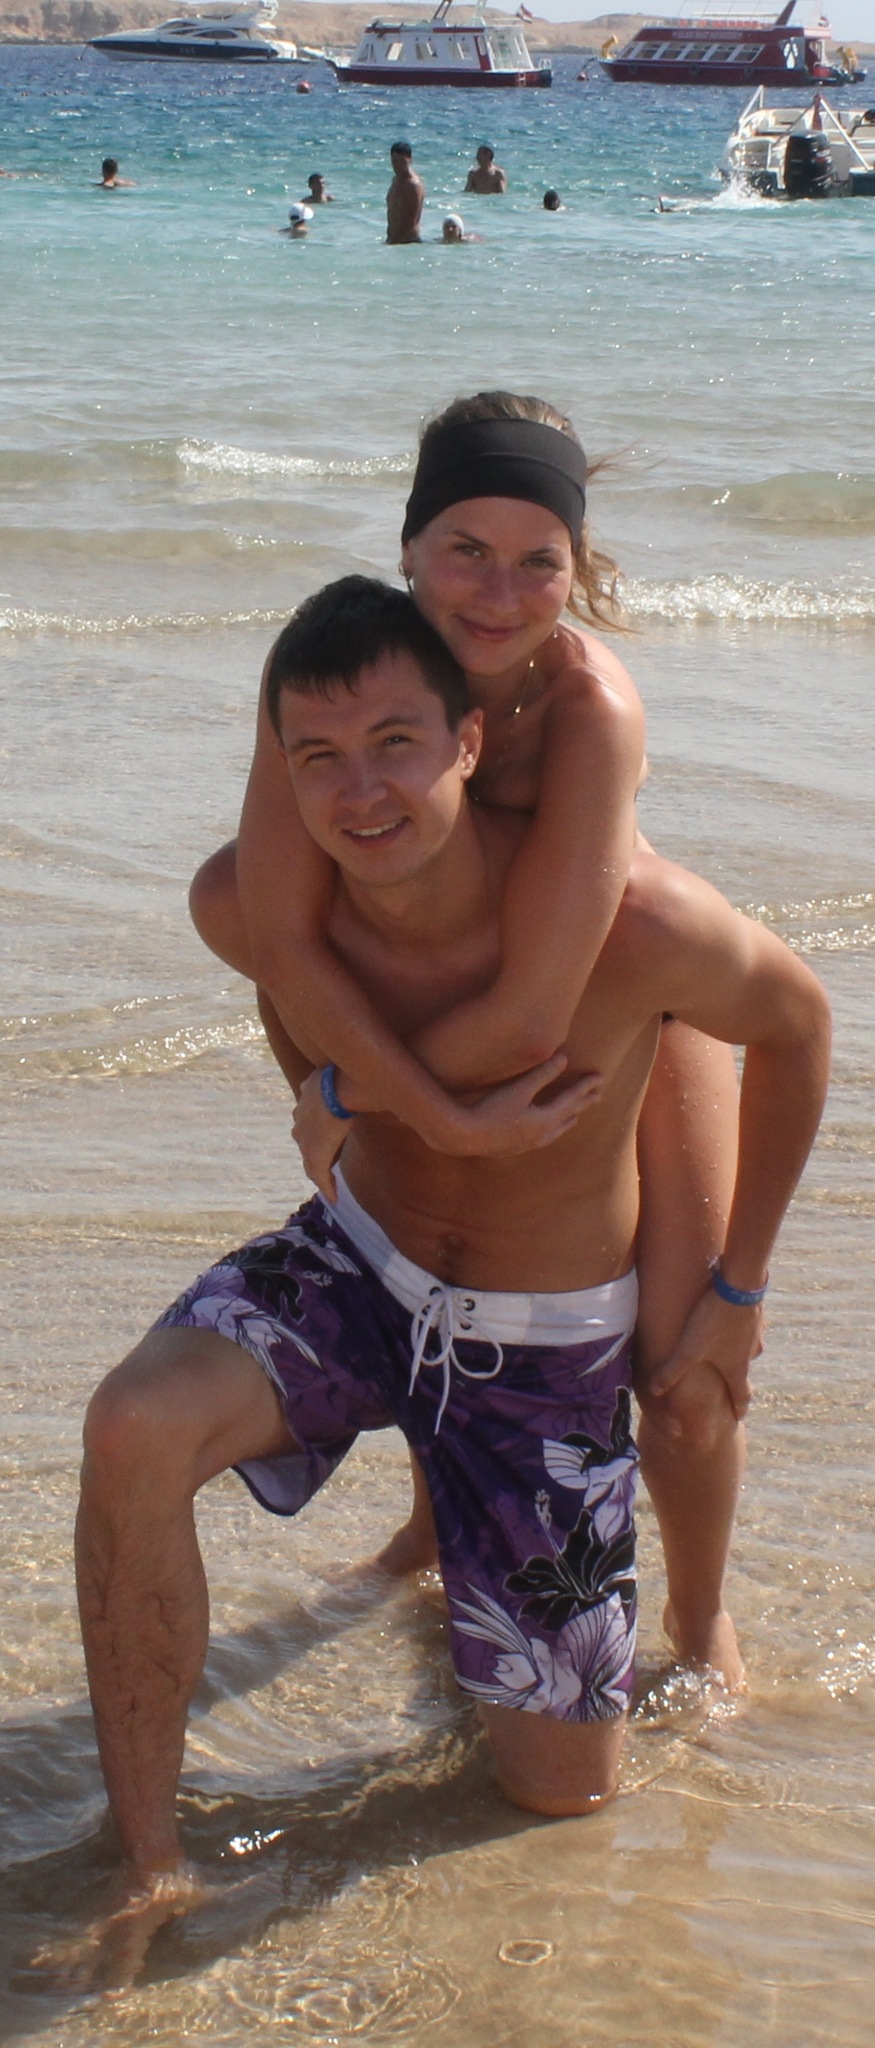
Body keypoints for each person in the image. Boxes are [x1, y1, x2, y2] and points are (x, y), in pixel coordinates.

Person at [71, 576, 830, 1985]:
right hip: (358, 1270)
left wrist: (735, 1290)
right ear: (279, 773)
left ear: (468, 742)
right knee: (131, 1425)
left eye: (395, 745)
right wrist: (324, 1088)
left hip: (538, 1348)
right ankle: (146, 1863)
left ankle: (678, 1611)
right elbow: (286, 1002)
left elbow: (798, 1023)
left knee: (563, 1797)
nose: (361, 792)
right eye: (319, 758)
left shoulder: (632, 927)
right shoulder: (261, 906)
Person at [190, 393, 748, 1671]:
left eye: (536, 560)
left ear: (575, 565)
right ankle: (434, 1521)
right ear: (407, 546)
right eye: (463, 551)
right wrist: (358, 1093)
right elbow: (276, 930)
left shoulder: (589, 706)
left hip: (614, 996)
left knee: (679, 1365)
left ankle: (700, 1611)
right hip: (428, 1012)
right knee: (435, 1257)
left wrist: (366, 1098)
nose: (497, 594)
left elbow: (536, 1010)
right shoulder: (347, 672)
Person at [386, 140, 425, 244]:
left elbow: (410, 222)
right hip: (394, 241)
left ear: (410, 160)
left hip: (408, 243)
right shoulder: (395, 180)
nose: (397, 165)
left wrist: (394, 243)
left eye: (401, 161)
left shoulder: (413, 185)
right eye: (394, 161)